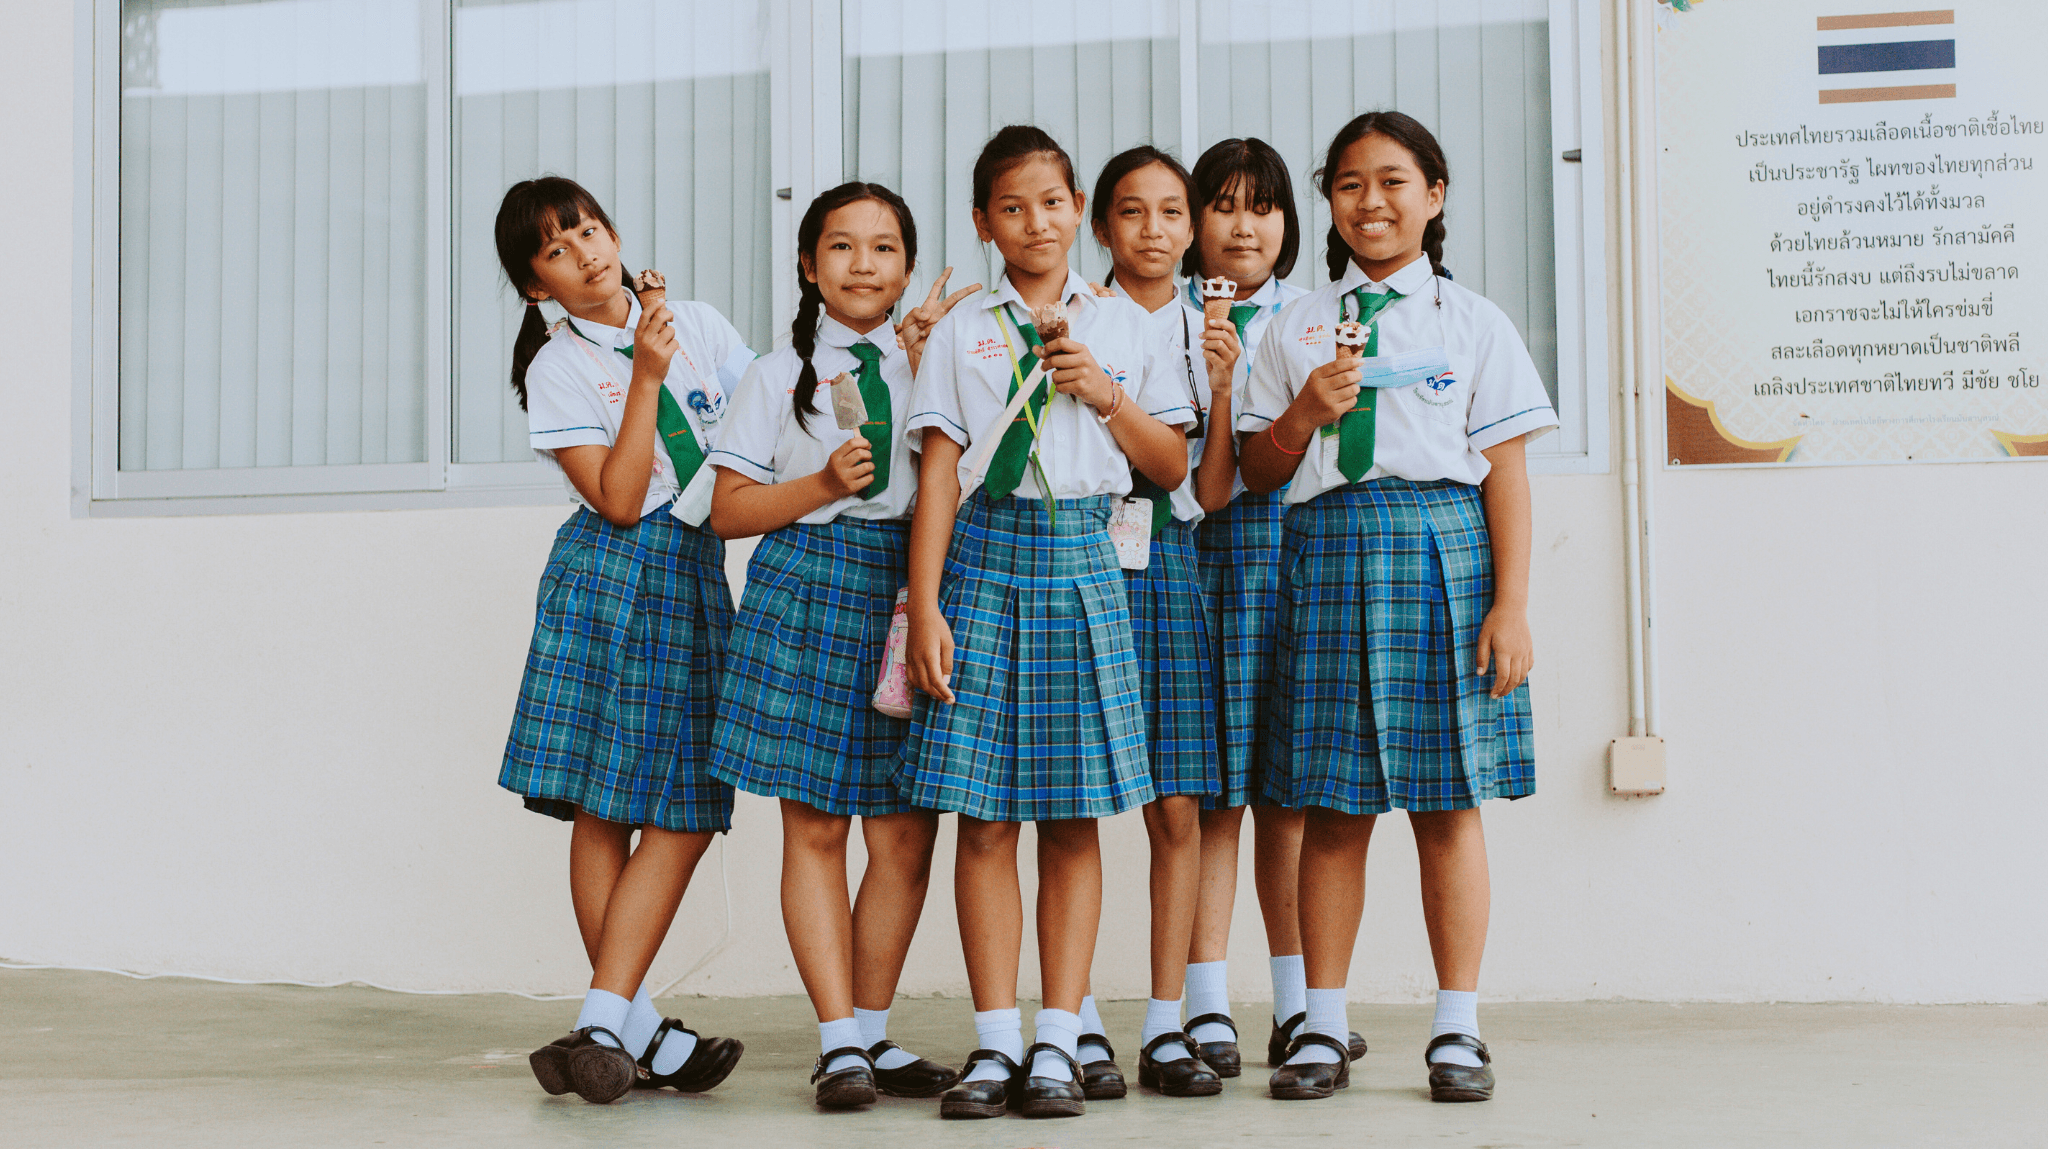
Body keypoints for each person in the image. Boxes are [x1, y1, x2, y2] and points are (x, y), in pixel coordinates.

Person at [1236, 112, 1557, 1104]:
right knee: (1331, 808)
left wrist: (1509, 605)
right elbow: (1252, 470)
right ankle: (1320, 1028)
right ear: (1326, 202)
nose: (1369, 202)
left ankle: (1456, 1028)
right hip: (1323, 558)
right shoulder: (1290, 326)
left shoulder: (1473, 324)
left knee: (1446, 806)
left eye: (1390, 181)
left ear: (1434, 193)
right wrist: (1302, 414)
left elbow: (1503, 475)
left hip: (1441, 561)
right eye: (1347, 185)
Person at [893, 125, 1194, 1120]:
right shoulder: (960, 333)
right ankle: (993, 1043)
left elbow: (1170, 467)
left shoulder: (1127, 327)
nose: (1036, 221)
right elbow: (938, 471)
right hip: (985, 559)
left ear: (1079, 213)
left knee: (1069, 819)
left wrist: (1103, 393)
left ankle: (1059, 1042)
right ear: (983, 223)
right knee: (981, 819)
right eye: (1012, 207)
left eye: (1053, 202)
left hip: (1081, 562)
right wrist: (928, 602)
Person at [706, 181, 977, 1110]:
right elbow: (725, 510)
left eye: (884, 247)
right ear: (808, 264)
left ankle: (870, 1029)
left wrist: (934, 362)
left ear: (907, 264)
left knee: (905, 828)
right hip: (807, 585)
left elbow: (968, 479)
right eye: (842, 246)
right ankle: (836, 1042)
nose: (864, 264)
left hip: (910, 588)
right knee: (816, 823)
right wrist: (820, 481)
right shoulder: (773, 375)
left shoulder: (934, 361)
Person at [494, 176, 753, 1104]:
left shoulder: (701, 323)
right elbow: (615, 492)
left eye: (589, 229)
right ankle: (628, 1025)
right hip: (609, 575)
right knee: (609, 805)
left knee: (684, 799)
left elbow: (761, 425)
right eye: (557, 251)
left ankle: (619, 1024)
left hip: (689, 572)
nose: (586, 252)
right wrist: (645, 375)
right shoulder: (558, 367)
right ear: (537, 287)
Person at [1084, 143, 1236, 1100]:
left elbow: (1211, 490)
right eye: (1132, 212)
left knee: (1176, 800)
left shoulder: (1208, 329)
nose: (1154, 231)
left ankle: (1165, 1019)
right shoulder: (1070, 316)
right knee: (1063, 801)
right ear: (1101, 225)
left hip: (1166, 558)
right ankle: (1074, 1019)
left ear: (1193, 228)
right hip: (1070, 555)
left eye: (1172, 213)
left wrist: (1222, 389)